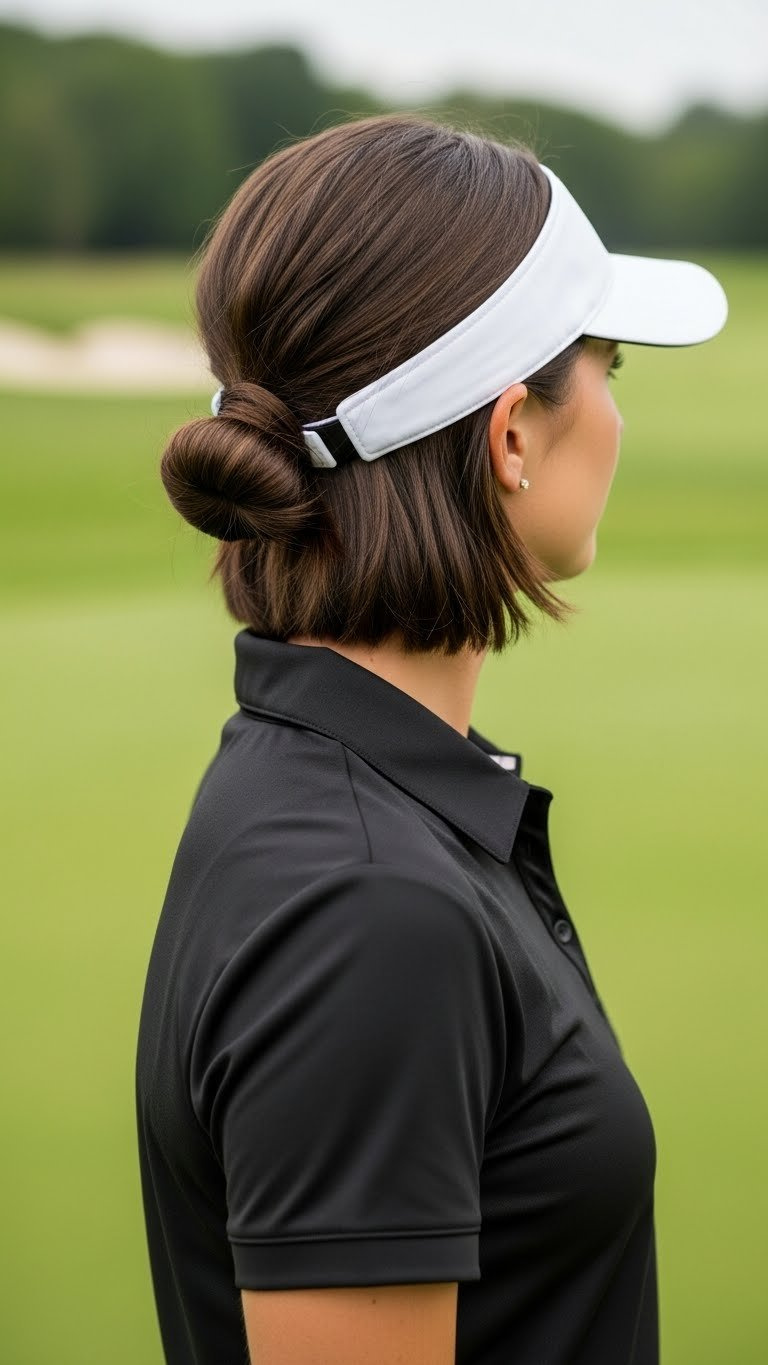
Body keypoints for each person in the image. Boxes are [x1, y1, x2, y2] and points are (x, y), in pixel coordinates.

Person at [135, 112, 727, 1365]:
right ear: (512, 434)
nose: (617, 411)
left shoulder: (326, 797)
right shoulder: (367, 909)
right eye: (609, 363)